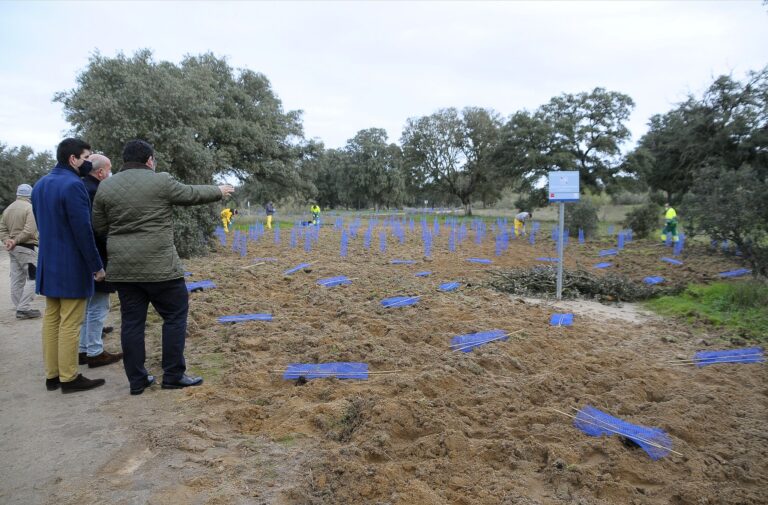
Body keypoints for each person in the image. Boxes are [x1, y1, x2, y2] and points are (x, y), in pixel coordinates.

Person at [93, 140, 234, 395]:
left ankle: (137, 381)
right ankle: (173, 375)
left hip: (124, 270)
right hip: (160, 266)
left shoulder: (106, 187)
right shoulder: (161, 181)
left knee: (132, 323)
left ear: (124, 160)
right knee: (174, 317)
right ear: (149, 160)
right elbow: (191, 194)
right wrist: (219, 190)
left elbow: (100, 227)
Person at [32, 138, 106, 394]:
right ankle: (69, 377)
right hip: (71, 264)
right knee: (71, 322)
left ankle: (52, 375)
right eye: (87, 157)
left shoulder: (40, 185)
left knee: (51, 319)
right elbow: (82, 231)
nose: (90, 162)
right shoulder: (74, 185)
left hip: (48, 261)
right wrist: (96, 265)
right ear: (73, 159)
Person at [78, 154, 123, 368]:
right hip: (98, 257)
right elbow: (98, 229)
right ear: (101, 172)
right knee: (98, 305)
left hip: (84, 256)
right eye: (110, 169)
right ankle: (95, 351)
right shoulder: (96, 192)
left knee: (87, 305)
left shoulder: (81, 188)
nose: (110, 173)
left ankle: (83, 348)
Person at [0, 184, 41, 319]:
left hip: (13, 249)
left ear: (18, 194)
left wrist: (8, 241)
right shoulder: (30, 208)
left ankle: (19, 306)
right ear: (30, 195)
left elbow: (2, 230)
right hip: (26, 248)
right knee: (34, 278)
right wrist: (16, 241)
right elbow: (29, 231)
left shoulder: (8, 209)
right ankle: (23, 308)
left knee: (17, 279)